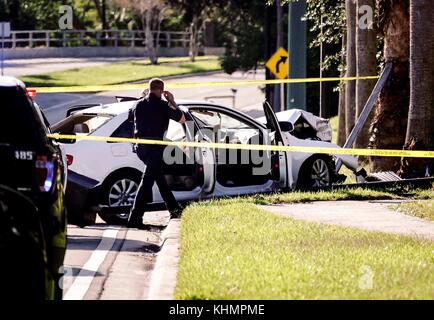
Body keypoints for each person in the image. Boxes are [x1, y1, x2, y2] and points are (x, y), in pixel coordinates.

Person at [127, 78, 186, 229]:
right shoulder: (162, 105)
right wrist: (172, 101)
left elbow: (129, 118)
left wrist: (142, 97)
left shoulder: (138, 104)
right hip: (154, 146)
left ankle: (175, 209)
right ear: (161, 90)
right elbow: (182, 119)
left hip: (140, 147)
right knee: (146, 181)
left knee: (159, 179)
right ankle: (135, 217)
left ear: (149, 89)